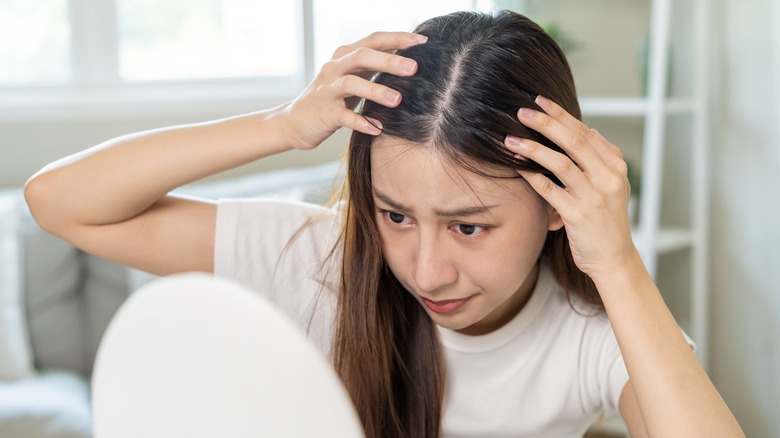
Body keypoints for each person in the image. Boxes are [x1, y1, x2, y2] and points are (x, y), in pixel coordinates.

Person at [25, 9, 743, 438]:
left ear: (557, 203)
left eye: (469, 227)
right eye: (396, 214)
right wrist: (280, 126)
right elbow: (58, 200)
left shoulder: (596, 332)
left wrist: (615, 261)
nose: (425, 270)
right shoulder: (312, 256)